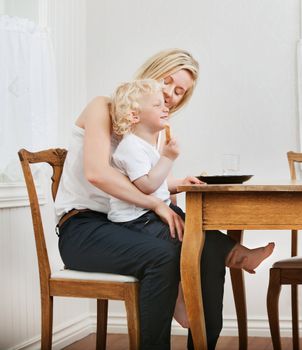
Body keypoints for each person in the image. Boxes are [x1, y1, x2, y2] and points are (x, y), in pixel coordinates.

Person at [54, 49, 272, 350]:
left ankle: (203, 343)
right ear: (150, 72)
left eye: (179, 91)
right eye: (166, 81)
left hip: (125, 225)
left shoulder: (150, 131)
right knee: (165, 255)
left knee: (204, 248)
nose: (170, 93)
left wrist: (178, 184)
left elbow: (139, 182)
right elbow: (98, 174)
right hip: (83, 229)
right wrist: (156, 204)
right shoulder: (101, 108)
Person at [107, 78, 274, 328]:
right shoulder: (130, 147)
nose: (166, 106)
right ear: (134, 116)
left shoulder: (147, 146)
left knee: (199, 231)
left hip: (150, 215)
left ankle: (235, 260)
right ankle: (238, 258)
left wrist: (181, 180)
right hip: (135, 220)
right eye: (157, 104)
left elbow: (158, 184)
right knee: (192, 237)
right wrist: (169, 158)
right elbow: (147, 185)